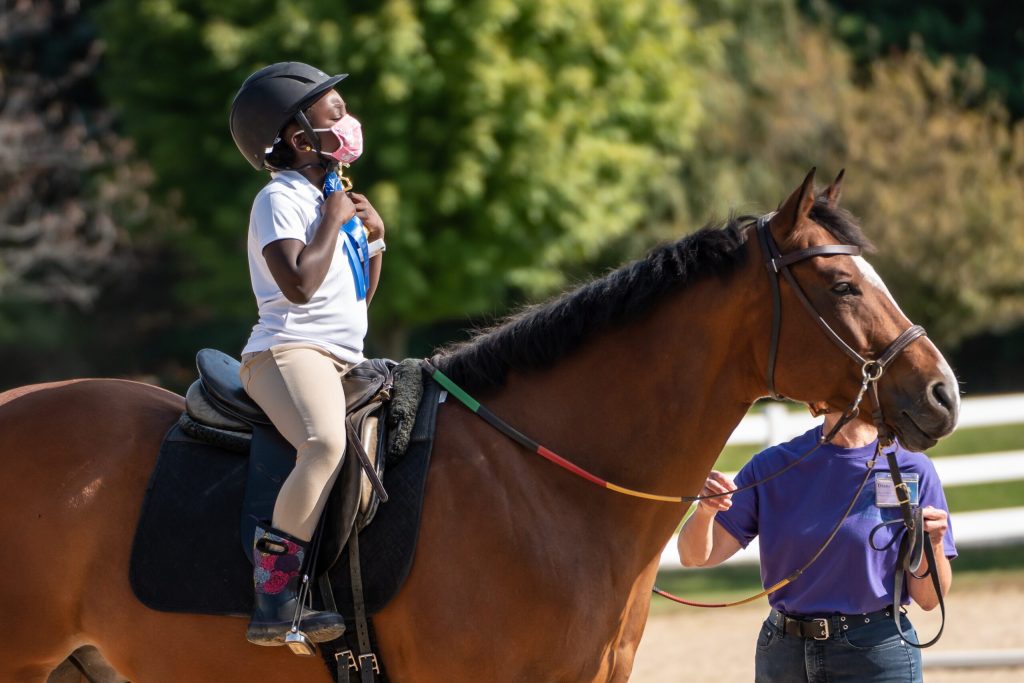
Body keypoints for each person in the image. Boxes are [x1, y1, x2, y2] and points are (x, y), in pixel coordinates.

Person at [228, 62, 386, 646]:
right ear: (299, 139)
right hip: (288, 352)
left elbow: (357, 299)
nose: (349, 122)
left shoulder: (329, 199)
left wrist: (374, 241)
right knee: (323, 445)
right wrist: (334, 221)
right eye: (336, 113)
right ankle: (274, 592)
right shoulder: (279, 199)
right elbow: (298, 285)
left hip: (340, 354)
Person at [677, 410, 956, 683]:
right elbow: (694, 557)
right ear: (814, 403)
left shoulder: (911, 468)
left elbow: (929, 600)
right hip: (784, 655)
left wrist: (933, 541)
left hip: (876, 652)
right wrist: (705, 512)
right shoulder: (773, 466)